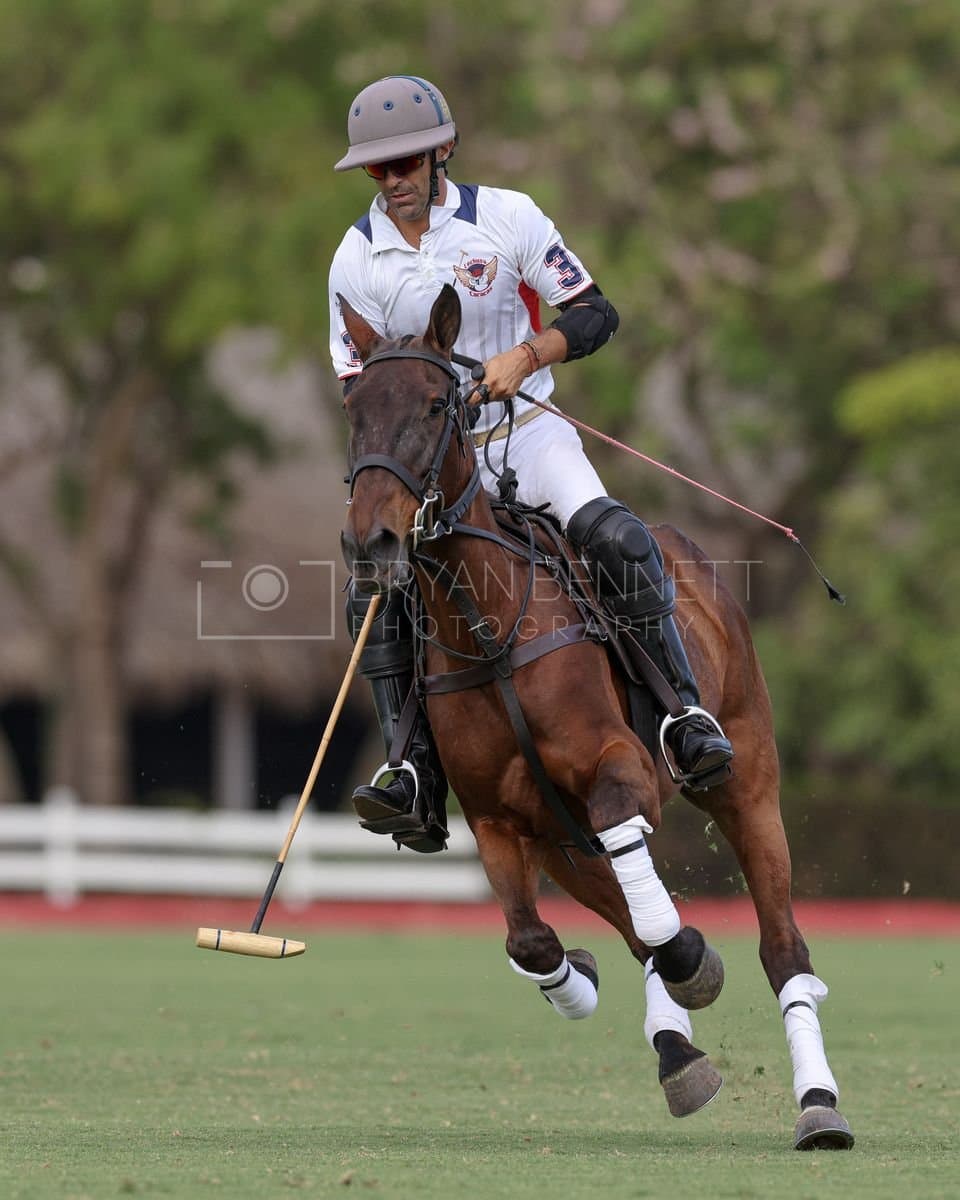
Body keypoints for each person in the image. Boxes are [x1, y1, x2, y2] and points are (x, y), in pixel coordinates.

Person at [328, 75, 733, 853]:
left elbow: (594, 311)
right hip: (433, 465)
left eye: (406, 162)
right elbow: (359, 380)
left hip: (530, 436)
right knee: (371, 595)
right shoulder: (356, 259)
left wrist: (528, 353)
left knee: (617, 538)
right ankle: (410, 769)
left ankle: (684, 716)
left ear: (442, 149)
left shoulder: (506, 217)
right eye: (378, 170)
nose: (394, 181)